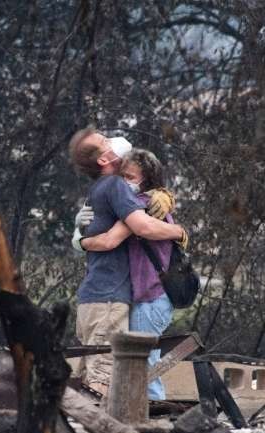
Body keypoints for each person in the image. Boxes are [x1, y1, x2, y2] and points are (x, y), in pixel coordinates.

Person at [68, 128, 187, 397]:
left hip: (109, 299)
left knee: (113, 370)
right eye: (104, 141)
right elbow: (129, 231)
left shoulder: (110, 192)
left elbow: (123, 230)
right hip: (110, 300)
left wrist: (163, 201)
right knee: (107, 374)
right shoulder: (115, 188)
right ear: (103, 159)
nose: (112, 141)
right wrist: (180, 232)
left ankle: (128, 414)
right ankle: (122, 417)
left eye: (131, 177)